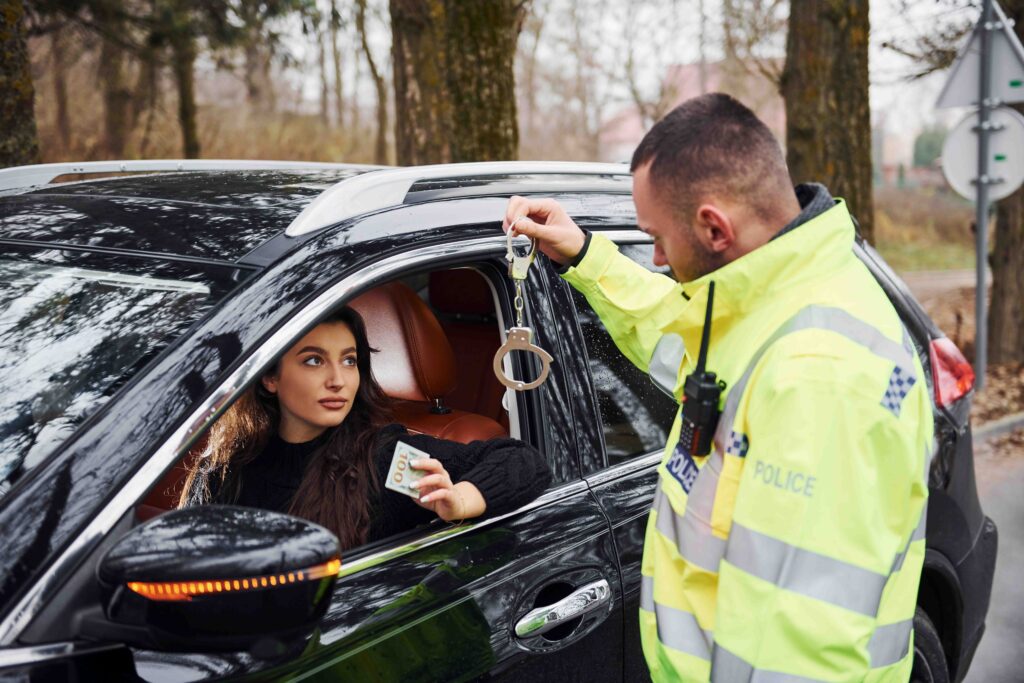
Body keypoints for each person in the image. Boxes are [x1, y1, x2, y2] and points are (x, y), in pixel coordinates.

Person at [503, 93, 932, 682]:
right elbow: (674, 333)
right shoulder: (767, 302)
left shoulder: (820, 380)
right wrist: (586, 257)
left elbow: (802, 655)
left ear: (713, 227)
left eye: (656, 237)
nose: (653, 256)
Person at [180, 306, 551, 551]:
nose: (338, 380)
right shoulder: (226, 468)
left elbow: (522, 461)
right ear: (270, 378)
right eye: (314, 361)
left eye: (349, 361)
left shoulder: (383, 459)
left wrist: (459, 501)